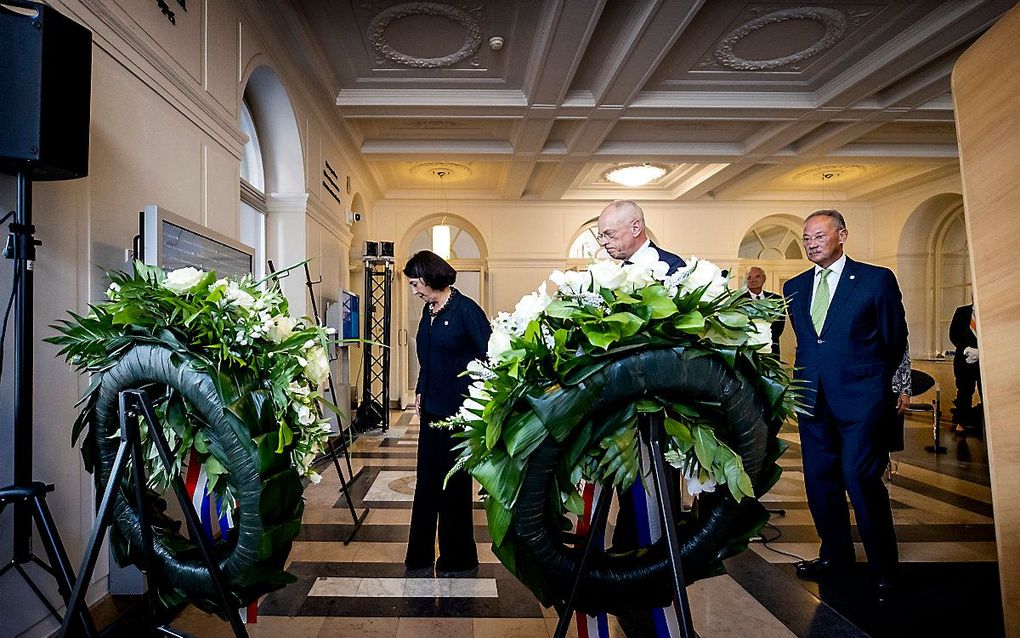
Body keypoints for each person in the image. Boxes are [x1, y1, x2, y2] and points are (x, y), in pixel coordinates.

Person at [783, 209, 908, 604]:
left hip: (862, 401)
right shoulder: (795, 286)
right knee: (820, 484)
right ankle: (834, 555)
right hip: (811, 397)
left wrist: (881, 387)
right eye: (806, 238)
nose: (811, 243)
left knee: (860, 480)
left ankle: (884, 567)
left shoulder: (875, 280)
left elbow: (894, 338)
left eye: (819, 235)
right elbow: (809, 342)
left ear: (842, 235)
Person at [403, 250, 490, 577]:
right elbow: (426, 356)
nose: (414, 291)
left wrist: (478, 400)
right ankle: (419, 555)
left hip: (459, 413)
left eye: (415, 284)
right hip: (431, 412)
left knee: (454, 486)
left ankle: (459, 557)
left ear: (430, 278)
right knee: (426, 483)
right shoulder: (429, 311)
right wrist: (420, 388)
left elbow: (489, 358)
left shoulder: (467, 311)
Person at [597, 200, 685, 274]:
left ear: (635, 229)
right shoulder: (617, 272)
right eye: (601, 236)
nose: (603, 242)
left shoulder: (673, 266)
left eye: (609, 233)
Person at [949, 303, 981, 431]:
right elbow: (953, 334)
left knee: (985, 392)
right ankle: (961, 423)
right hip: (964, 360)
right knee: (964, 392)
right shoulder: (962, 311)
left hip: (983, 360)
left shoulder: (988, 312)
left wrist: (981, 352)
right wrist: (966, 349)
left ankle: (987, 424)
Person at [742, 266, 786, 358]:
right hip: (746, 350)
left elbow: (779, 325)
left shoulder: (777, 299)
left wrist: (765, 338)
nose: (753, 280)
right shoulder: (739, 300)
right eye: (749, 277)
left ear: (764, 278)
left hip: (771, 348)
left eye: (757, 276)